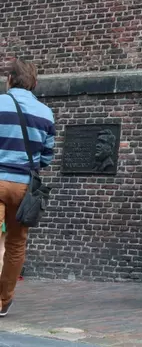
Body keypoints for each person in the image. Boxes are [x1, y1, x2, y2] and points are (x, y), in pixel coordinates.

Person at [0, 59, 56, 317]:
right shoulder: (46, 113)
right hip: (24, 187)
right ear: (34, 83)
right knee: (15, 244)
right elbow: (46, 157)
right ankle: (3, 301)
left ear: (9, 79)